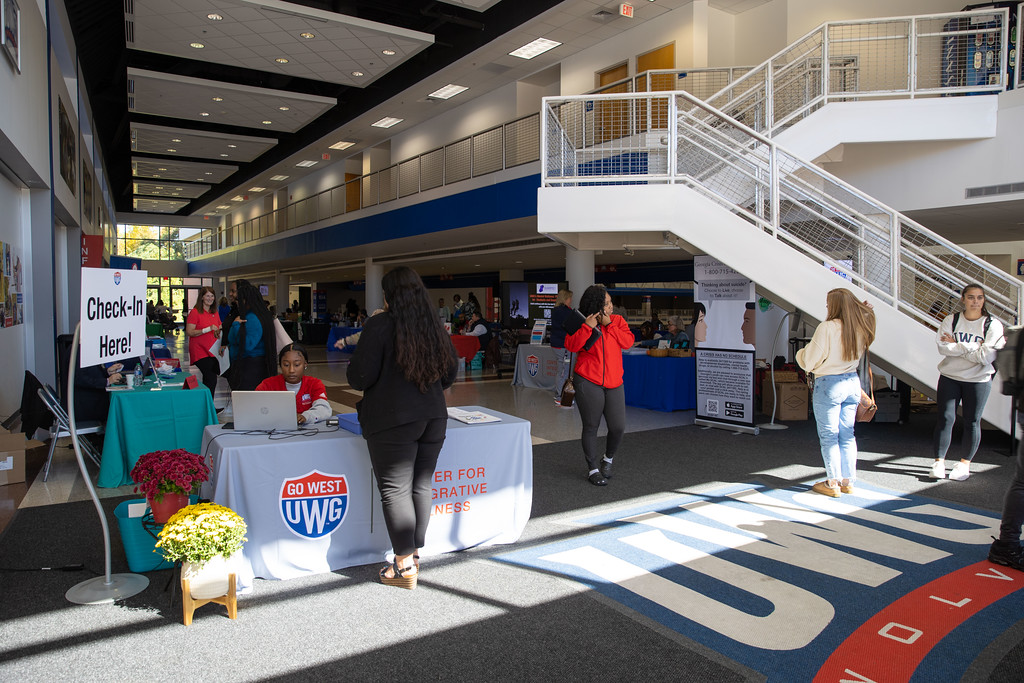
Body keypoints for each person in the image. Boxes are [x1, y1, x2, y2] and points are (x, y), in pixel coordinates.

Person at [347, 266, 459, 589]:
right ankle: (414, 555)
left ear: (388, 296)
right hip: (434, 418)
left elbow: (359, 377)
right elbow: (450, 375)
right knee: (421, 486)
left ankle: (404, 566)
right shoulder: (433, 325)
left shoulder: (380, 325)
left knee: (395, 490)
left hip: (392, 420)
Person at [796, 288, 876, 497]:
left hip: (829, 385)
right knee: (847, 435)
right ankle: (848, 481)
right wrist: (865, 312)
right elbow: (869, 322)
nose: (826, 306)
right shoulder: (860, 326)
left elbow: (810, 360)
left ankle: (833, 482)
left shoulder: (827, 327)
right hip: (852, 383)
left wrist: (800, 354)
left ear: (835, 305)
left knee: (829, 436)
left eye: (828, 302)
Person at [931, 284, 1005, 481]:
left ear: (984, 300)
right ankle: (939, 462)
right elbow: (943, 348)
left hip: (978, 380)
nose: (975, 301)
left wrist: (957, 344)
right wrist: (974, 347)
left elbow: (986, 357)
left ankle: (964, 464)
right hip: (950, 377)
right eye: (971, 297)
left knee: (972, 421)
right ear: (963, 299)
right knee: (945, 419)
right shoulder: (952, 319)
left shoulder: (992, 324)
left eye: (979, 297)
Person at [565, 284, 635, 486]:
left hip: (614, 383)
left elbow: (628, 342)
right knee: (591, 426)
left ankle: (608, 459)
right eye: (607, 303)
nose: (611, 306)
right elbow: (571, 345)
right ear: (596, 305)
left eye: (611, 302)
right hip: (588, 381)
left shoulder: (618, 321)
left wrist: (609, 324)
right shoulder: (581, 321)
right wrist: (587, 326)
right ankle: (593, 469)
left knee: (618, 427)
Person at [256, 343, 331, 425]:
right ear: (280, 365)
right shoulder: (267, 385)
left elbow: (324, 409)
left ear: (305, 364)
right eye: (286, 365)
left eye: (297, 365)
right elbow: (254, 408)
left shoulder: (314, 384)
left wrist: (306, 416)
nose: (291, 370)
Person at [227, 281, 277, 391]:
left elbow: (247, 344)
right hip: (247, 365)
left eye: (239, 301)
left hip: (250, 367)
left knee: (247, 401)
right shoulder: (250, 316)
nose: (237, 303)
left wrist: (235, 325)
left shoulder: (252, 318)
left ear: (246, 301)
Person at [185, 286, 222, 396]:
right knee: (211, 377)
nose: (210, 298)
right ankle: (209, 406)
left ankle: (208, 405)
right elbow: (190, 332)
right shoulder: (195, 312)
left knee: (210, 379)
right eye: (207, 296)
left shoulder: (214, 312)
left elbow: (218, 327)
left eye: (212, 296)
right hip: (200, 351)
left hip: (212, 351)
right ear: (202, 297)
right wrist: (207, 329)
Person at [550, 289, 573, 402]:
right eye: (570, 298)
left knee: (561, 370)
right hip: (563, 344)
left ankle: (559, 393)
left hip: (556, 344)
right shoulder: (566, 312)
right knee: (564, 370)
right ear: (565, 299)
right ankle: (561, 396)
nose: (571, 300)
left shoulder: (555, 310)